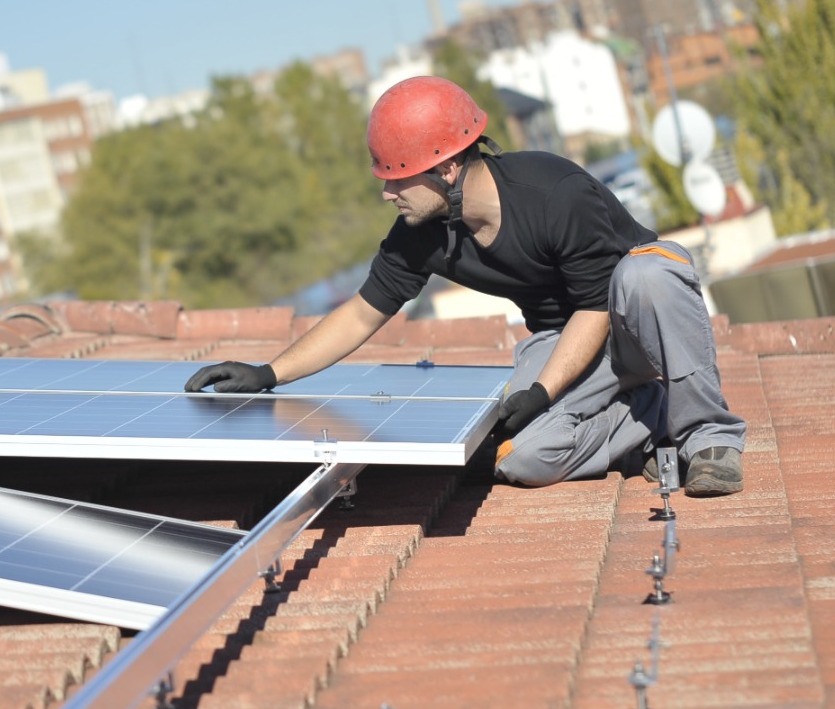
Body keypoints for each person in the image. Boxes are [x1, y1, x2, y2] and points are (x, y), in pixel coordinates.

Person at [185, 75, 745, 496]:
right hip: (566, 341)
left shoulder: (553, 192)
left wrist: (543, 392)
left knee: (649, 271)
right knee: (519, 457)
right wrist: (268, 373)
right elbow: (360, 314)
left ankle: (709, 436)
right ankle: (649, 425)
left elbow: (597, 309)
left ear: (447, 168)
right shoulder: (422, 231)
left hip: (634, 319)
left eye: (397, 178)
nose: (387, 194)